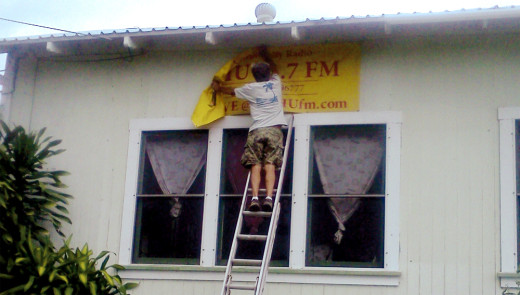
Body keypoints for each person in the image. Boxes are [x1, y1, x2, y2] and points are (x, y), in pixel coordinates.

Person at [211, 46, 287, 212]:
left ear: (254, 76)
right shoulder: (275, 84)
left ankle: (253, 198)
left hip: (257, 131)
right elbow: (275, 68)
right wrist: (266, 54)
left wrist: (217, 88)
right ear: (268, 74)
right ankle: (268, 198)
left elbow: (230, 91)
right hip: (274, 131)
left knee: (255, 165)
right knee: (270, 165)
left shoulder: (250, 89)